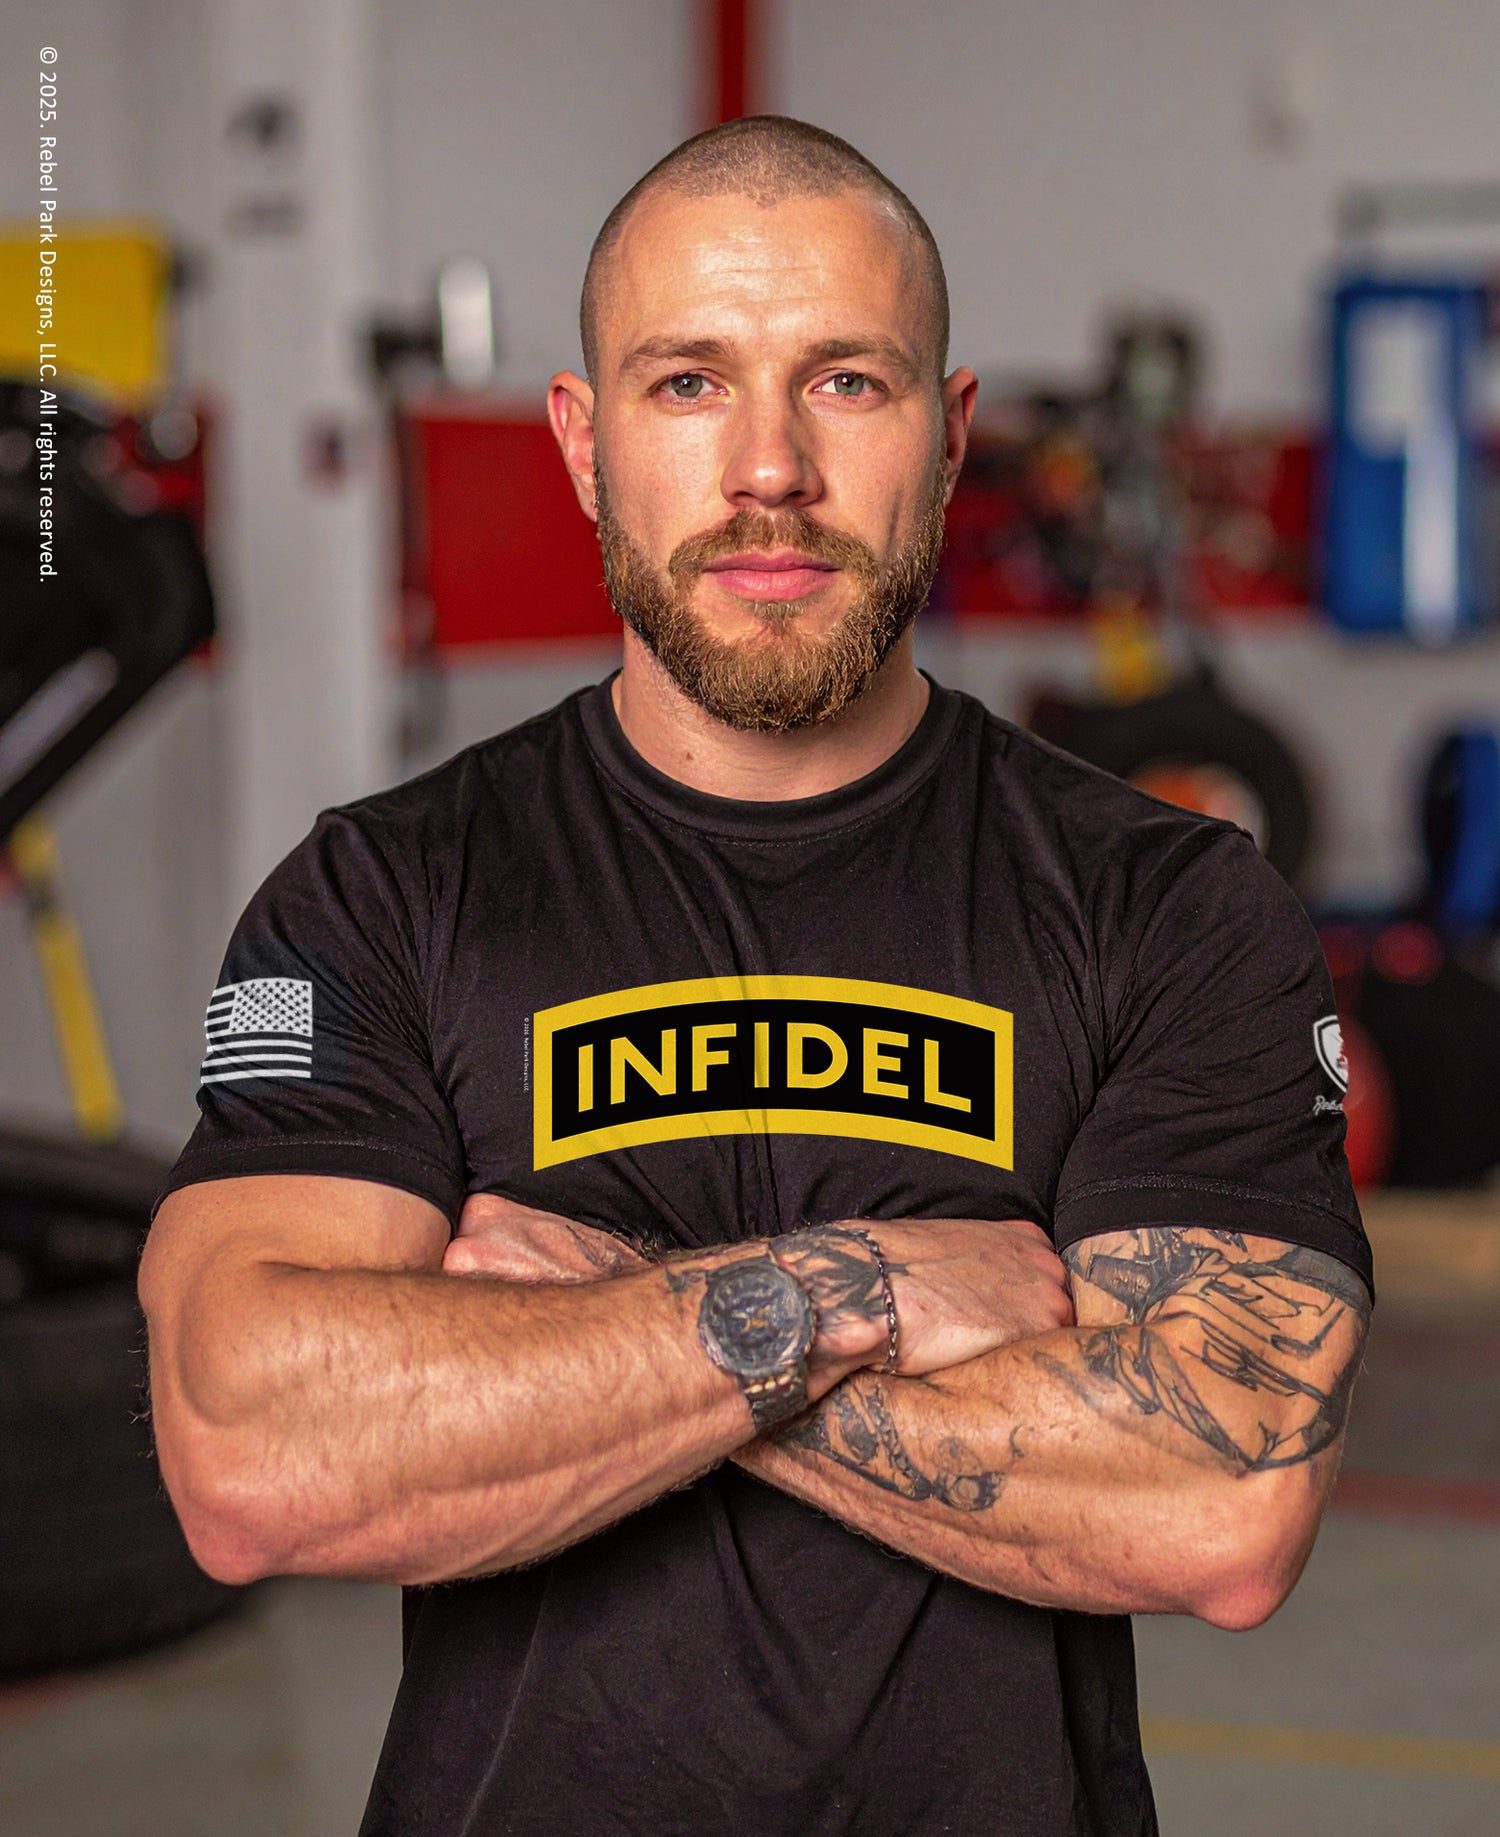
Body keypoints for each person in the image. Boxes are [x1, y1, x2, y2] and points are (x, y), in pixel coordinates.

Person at [141, 116, 1373, 1836]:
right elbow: (251, 1455)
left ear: (948, 440)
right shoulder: (386, 892)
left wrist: (586, 1334)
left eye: (847, 383)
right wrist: (844, 1290)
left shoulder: (1168, 905)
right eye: (689, 384)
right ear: (581, 444)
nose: (770, 469)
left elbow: (1220, 1501)